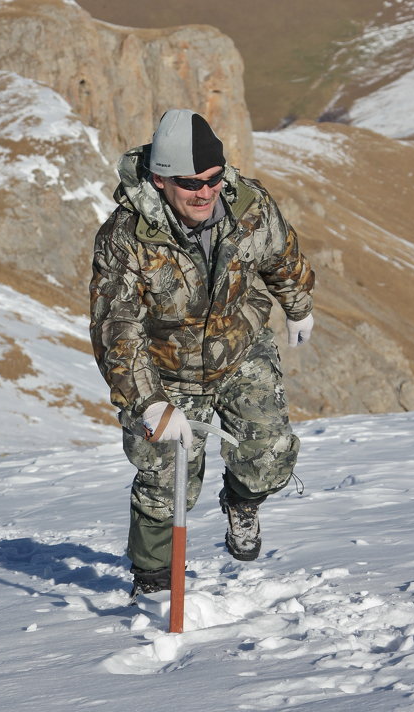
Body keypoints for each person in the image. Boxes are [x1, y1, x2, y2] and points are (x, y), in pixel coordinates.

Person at [90, 108, 315, 598]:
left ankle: (242, 502)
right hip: (165, 368)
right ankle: (152, 580)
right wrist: (148, 401)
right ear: (160, 179)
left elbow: (281, 254)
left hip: (240, 345)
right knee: (164, 479)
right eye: (191, 182)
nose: (206, 192)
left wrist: (297, 306)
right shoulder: (125, 238)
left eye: (213, 179)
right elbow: (117, 327)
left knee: (270, 454)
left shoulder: (249, 204)